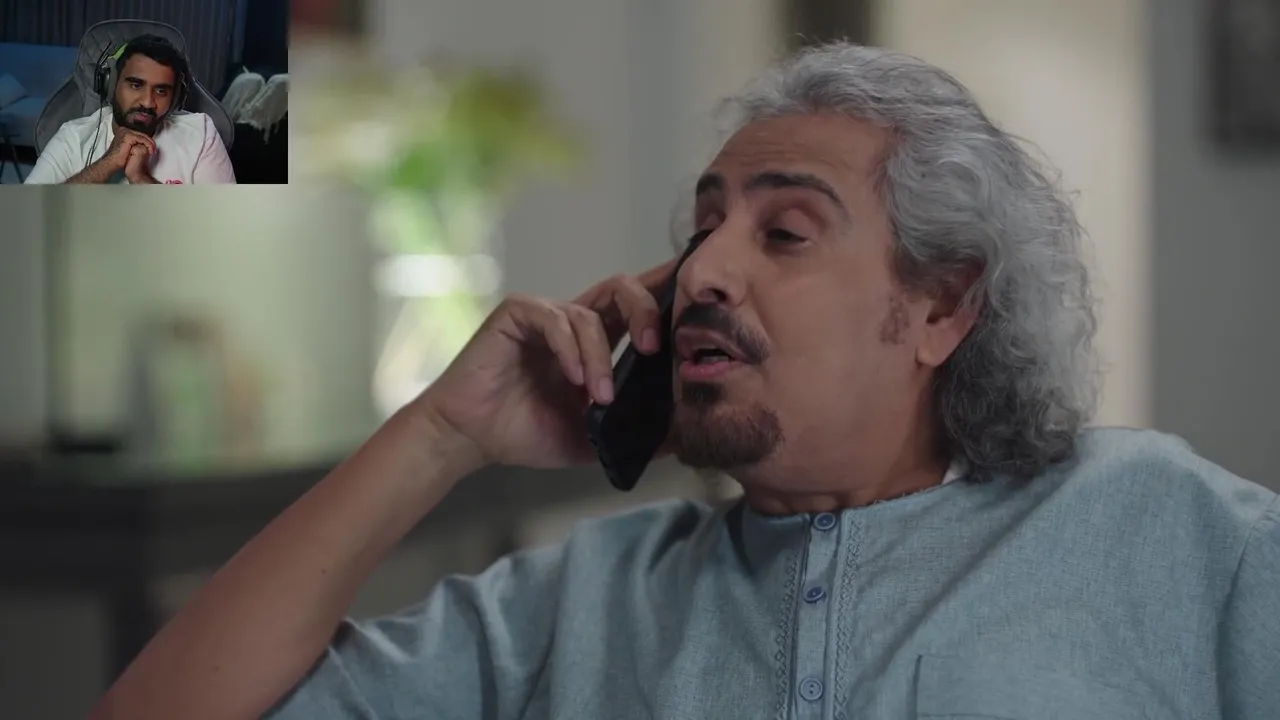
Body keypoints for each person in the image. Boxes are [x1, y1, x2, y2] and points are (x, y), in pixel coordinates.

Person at [89, 42, 1277, 719]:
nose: (700, 270)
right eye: (702, 229)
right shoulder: (579, 602)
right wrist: (439, 436)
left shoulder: (1162, 529)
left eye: (784, 233)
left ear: (939, 306)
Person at [24, 34, 235, 185]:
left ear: (175, 97)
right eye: (136, 85)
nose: (148, 102)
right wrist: (107, 163)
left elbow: (224, 226)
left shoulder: (201, 135)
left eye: (161, 90)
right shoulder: (72, 138)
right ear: (111, 84)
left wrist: (141, 178)